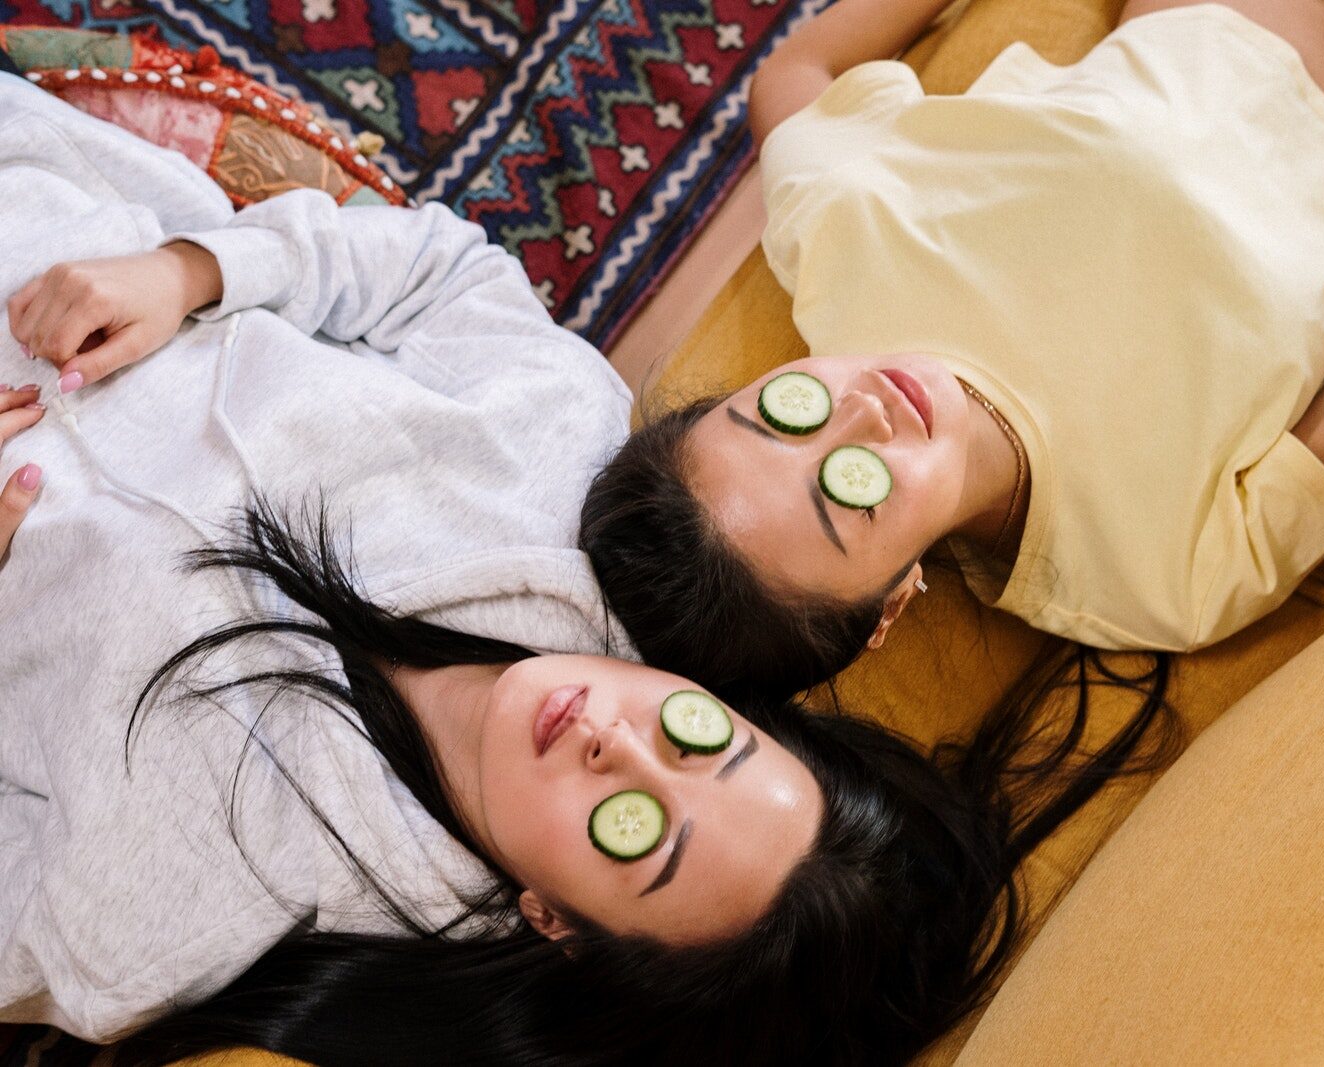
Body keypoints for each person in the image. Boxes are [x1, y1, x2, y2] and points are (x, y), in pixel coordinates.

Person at [0, 69, 1176, 1066]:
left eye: (632, 828)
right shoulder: (570, 481)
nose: (620, 747)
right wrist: (193, 271)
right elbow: (434, 270)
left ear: (555, 920)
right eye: (701, 740)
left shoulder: (169, 924)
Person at [580, 0, 1324, 702]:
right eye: (846, 490)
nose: (861, 412)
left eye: (778, 414)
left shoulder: (842, 247)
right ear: (890, 605)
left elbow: (792, 75)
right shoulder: (1166, 583)